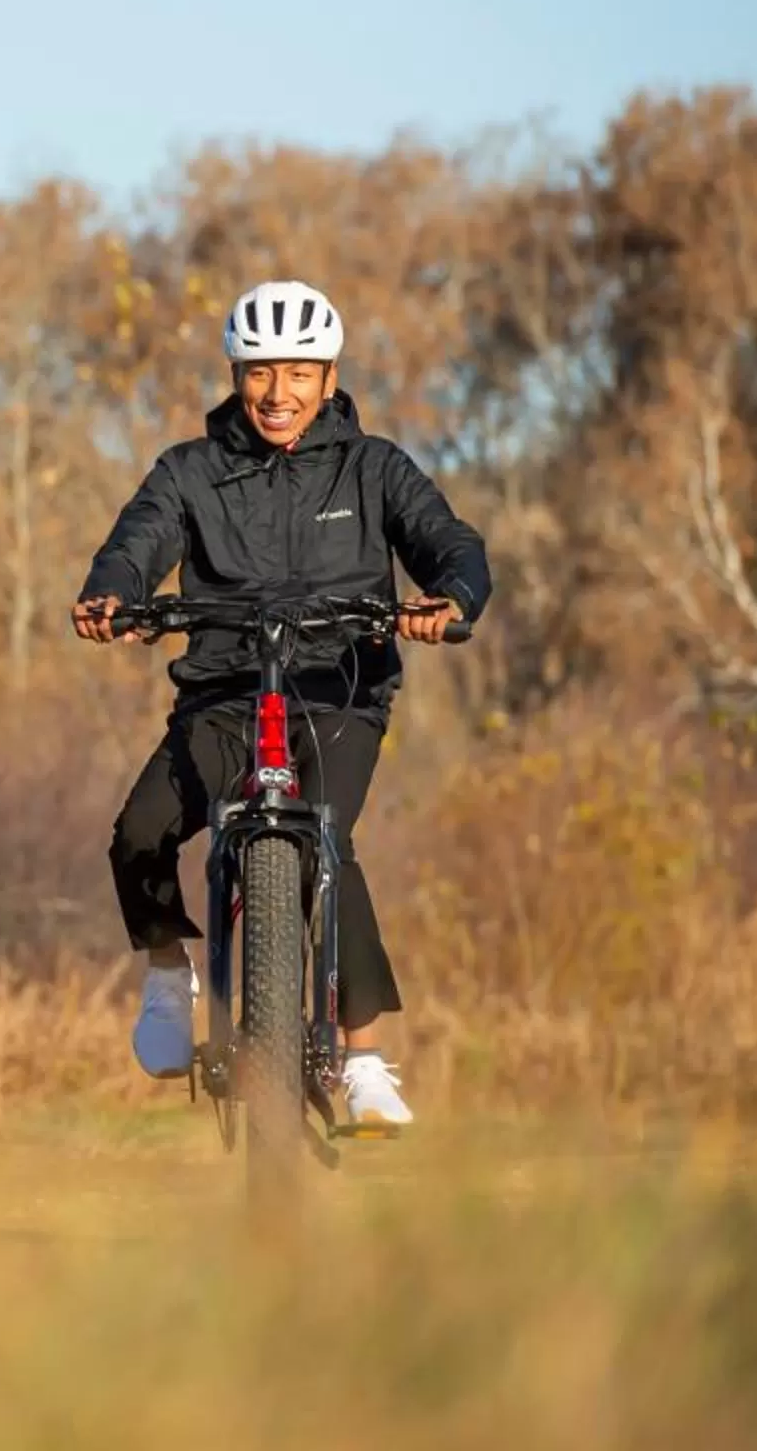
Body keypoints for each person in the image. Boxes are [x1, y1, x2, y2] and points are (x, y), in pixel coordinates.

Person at [71, 279, 489, 1132]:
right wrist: (113, 595)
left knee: (325, 837)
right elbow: (136, 541)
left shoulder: (374, 468)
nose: (278, 393)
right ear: (236, 374)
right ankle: (164, 974)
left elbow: (449, 542)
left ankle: (363, 1057)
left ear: (329, 378)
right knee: (139, 832)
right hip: (224, 691)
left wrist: (448, 597)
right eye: (260, 373)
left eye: (299, 373)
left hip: (339, 692)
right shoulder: (191, 471)